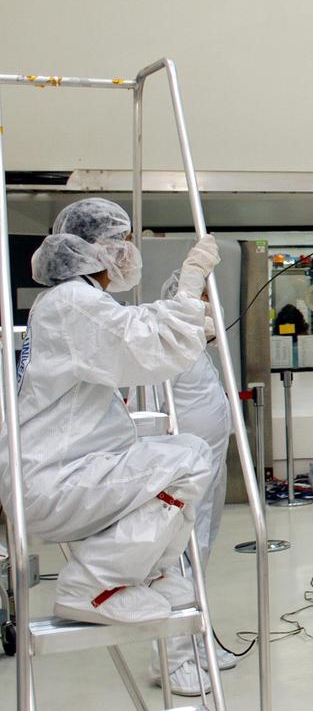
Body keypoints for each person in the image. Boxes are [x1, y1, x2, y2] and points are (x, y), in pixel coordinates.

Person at [0, 198, 219, 625]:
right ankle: (92, 586)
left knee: (181, 458)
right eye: (124, 241)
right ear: (97, 249)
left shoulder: (71, 301)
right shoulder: (73, 302)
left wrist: (187, 317)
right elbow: (146, 346)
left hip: (58, 469)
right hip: (54, 479)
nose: (129, 252)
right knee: (188, 461)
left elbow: (131, 326)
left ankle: (151, 574)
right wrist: (189, 287)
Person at [148, 269, 238, 696]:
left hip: (207, 468)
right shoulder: (166, 343)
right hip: (181, 474)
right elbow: (156, 413)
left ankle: (196, 640)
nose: (209, 305)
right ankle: (171, 658)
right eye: (203, 296)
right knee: (178, 562)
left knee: (198, 554)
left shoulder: (194, 346)